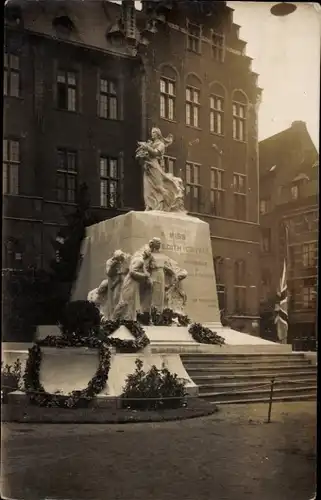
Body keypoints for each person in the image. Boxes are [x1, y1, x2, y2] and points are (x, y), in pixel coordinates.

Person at [135, 128, 185, 212]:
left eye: (154, 132)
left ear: (158, 134)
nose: (152, 134)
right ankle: (149, 206)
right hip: (147, 167)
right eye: (152, 132)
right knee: (147, 188)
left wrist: (147, 147)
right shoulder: (151, 143)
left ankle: (166, 203)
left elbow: (156, 153)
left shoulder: (160, 144)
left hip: (154, 166)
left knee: (158, 186)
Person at [113, 246, 153, 321]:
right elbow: (132, 272)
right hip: (130, 282)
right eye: (149, 252)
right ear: (145, 252)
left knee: (129, 302)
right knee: (124, 302)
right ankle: (113, 319)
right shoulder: (140, 260)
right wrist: (145, 276)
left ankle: (127, 319)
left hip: (132, 282)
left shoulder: (137, 258)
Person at [105, 250, 130, 319]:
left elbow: (126, 270)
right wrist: (113, 265)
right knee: (113, 299)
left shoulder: (122, 261)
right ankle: (112, 317)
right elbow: (108, 273)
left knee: (121, 299)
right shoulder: (110, 262)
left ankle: (120, 316)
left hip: (120, 282)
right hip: (113, 282)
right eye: (119, 258)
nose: (120, 260)